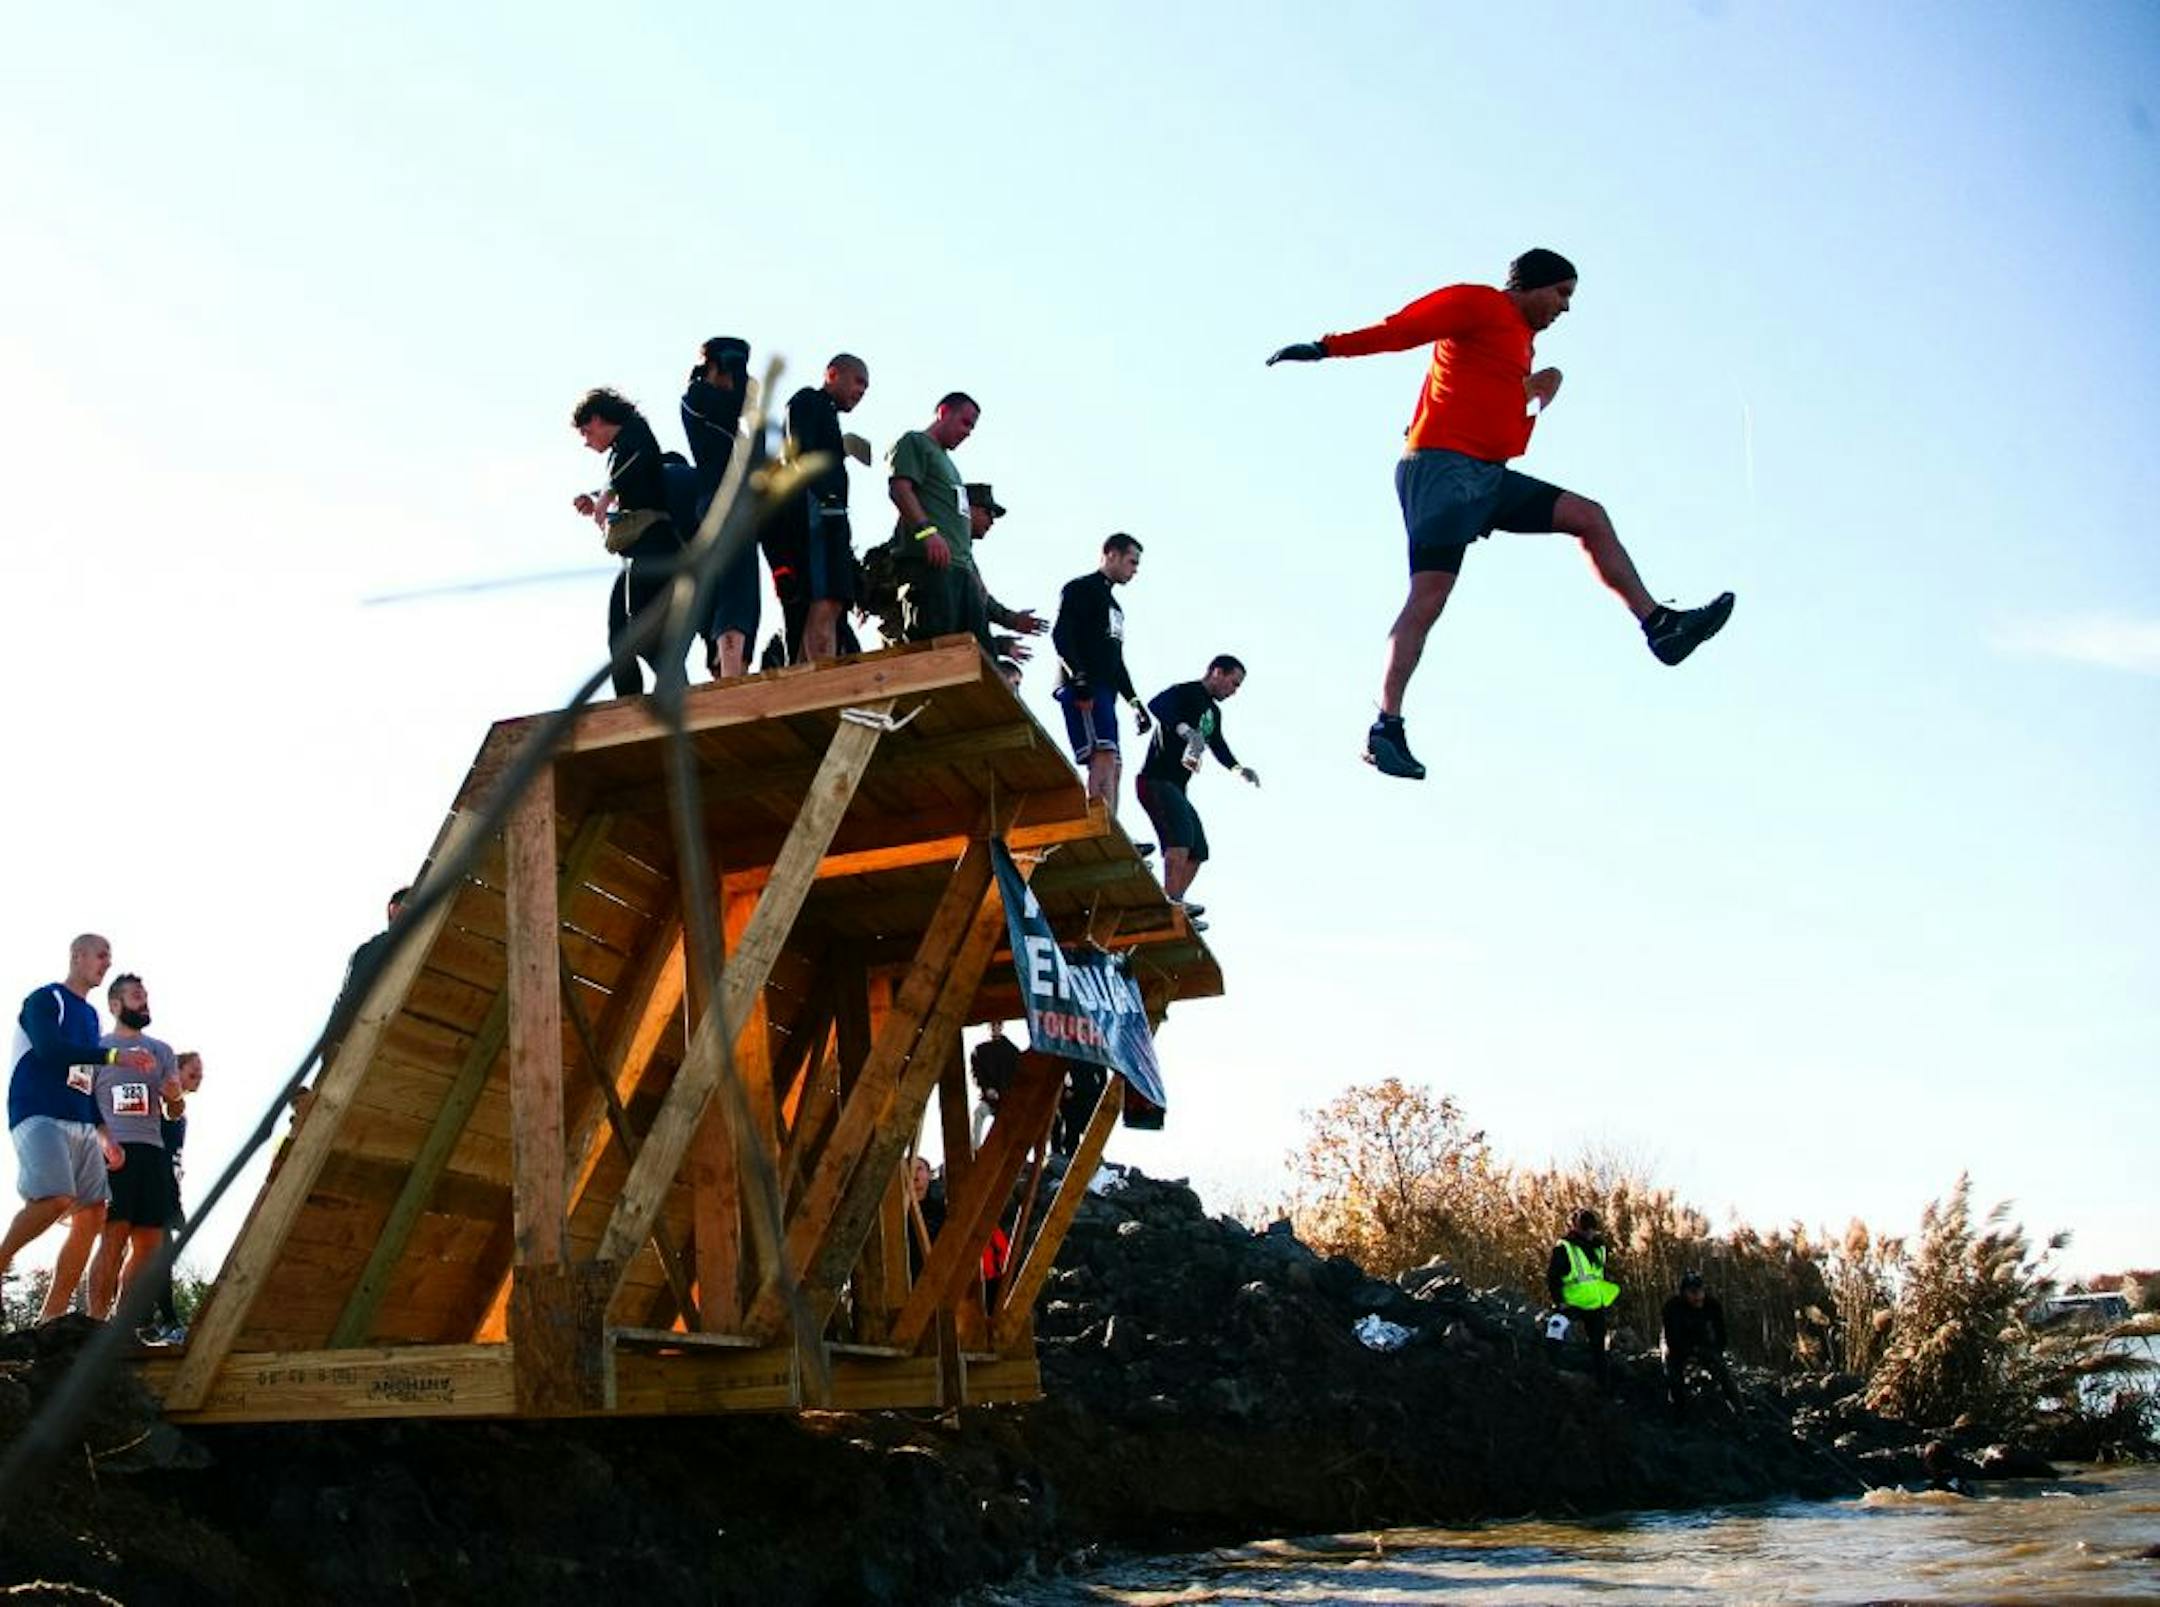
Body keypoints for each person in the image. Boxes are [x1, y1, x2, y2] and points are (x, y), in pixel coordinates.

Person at [1266, 248, 1736, 781]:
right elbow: (1402, 331)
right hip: (1442, 472)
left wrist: (1541, 385)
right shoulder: (1478, 303)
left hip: (1488, 479)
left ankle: (1661, 627)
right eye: (1561, 294)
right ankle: (1384, 727)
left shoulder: (1522, 346)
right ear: (1531, 285)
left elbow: (1481, 400)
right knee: (1428, 597)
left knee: (1590, 517)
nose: (1565, 308)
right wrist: (1327, 348)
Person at [0, 936, 156, 1324]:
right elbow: (51, 1051)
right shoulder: (44, 999)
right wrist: (115, 1055)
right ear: (78, 956)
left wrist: (105, 1135)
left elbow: (82, 1079)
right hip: (37, 1113)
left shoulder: (91, 1018)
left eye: (110, 957)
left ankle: (51, 1317)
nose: (106, 963)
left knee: (92, 1214)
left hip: (81, 1122)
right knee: (55, 1198)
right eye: (101, 955)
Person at [572, 386, 690, 697]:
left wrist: (607, 494)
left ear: (598, 420)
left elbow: (636, 461)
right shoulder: (623, 450)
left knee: (642, 625)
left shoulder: (636, 434)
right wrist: (596, 499)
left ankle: (676, 689)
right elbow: (630, 481)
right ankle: (629, 699)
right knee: (619, 629)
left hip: (659, 546)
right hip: (642, 551)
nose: (586, 441)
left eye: (586, 431)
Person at [1135, 655, 1259, 928]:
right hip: (1155, 780)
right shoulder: (1186, 692)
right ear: (1217, 672)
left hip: (1177, 787)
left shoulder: (1213, 713)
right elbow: (1157, 704)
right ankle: (1170, 901)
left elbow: (1219, 746)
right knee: (1179, 839)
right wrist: (1185, 730)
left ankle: (1176, 898)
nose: (1234, 691)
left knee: (1198, 849)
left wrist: (1239, 769)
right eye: (1233, 683)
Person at [86, 973, 181, 1321]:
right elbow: (80, 1101)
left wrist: (175, 1098)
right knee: (114, 1235)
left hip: (153, 1152)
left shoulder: (162, 1051)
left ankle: (120, 1328)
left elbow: (175, 1107)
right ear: (115, 1005)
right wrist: (104, 1139)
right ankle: (95, 1321)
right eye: (136, 996)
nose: (144, 1001)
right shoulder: (95, 1048)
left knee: (149, 1243)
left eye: (145, 995)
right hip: (113, 1151)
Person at [680, 337, 763, 679]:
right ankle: (731, 674)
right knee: (736, 591)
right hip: (721, 504)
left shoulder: (728, 408)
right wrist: (742, 381)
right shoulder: (697, 397)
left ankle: (731, 670)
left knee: (736, 592)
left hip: (732, 505)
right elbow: (734, 409)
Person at [780, 354, 872, 661]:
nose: (861, 391)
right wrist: (826, 499)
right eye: (858, 381)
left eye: (866, 387)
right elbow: (797, 455)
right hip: (815, 517)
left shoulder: (827, 415)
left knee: (832, 602)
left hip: (828, 517)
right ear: (833, 373)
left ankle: (812, 676)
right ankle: (821, 677)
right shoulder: (808, 400)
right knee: (825, 598)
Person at [1052, 534, 1151, 812]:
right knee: (1103, 754)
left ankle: (1110, 823)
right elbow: (1062, 634)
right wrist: (1079, 677)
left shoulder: (1114, 607)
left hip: (1106, 688)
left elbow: (1115, 659)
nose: (1134, 571)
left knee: (1115, 761)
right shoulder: (1081, 588)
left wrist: (1135, 703)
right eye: (1131, 562)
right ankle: (1095, 821)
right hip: (1085, 686)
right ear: (1111, 554)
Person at [885, 392, 984, 645]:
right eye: (964, 422)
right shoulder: (916, 442)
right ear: (943, 412)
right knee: (934, 650)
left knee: (977, 656)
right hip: (930, 568)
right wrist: (927, 533)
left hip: (960, 573)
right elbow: (900, 489)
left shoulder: (950, 466)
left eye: (972, 427)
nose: (968, 432)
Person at [145, 1049, 201, 1343]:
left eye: (200, 1075)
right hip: (150, 1189)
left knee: (156, 1255)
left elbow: (173, 1157)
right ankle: (166, 1318)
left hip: (168, 1191)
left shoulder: (181, 1117)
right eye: (193, 1073)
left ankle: (146, 1319)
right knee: (156, 1254)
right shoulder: (155, 1103)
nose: (199, 1080)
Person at [963, 484, 1046, 667]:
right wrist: (1009, 620)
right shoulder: (945, 544)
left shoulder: (962, 552)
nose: (991, 522)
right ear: (967, 508)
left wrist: (1010, 619)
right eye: (987, 513)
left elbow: (979, 597)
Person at [1546, 1205, 1619, 1389]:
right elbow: (1552, 1277)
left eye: (1591, 1228)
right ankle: (1550, 1369)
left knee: (1598, 1348)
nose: (1589, 1232)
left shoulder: (1599, 1248)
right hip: (1572, 1303)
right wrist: (1559, 1301)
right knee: (1556, 1325)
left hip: (1594, 1305)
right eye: (1586, 1228)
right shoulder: (1565, 1247)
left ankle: (1603, 1387)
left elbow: (1600, 1274)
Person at [1661, 1270, 1743, 1418]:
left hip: (1701, 1340)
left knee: (1723, 1372)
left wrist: (1714, 1353)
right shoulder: (1672, 1307)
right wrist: (1688, 1353)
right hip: (1677, 1342)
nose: (1698, 1296)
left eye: (1700, 1291)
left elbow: (1721, 1335)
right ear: (1684, 1293)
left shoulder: (1712, 1305)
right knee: (1673, 1373)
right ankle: (1678, 1413)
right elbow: (1671, 1339)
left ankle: (1740, 1413)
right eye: (1693, 1292)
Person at [969, 1026, 1018, 1151]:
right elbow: (977, 1073)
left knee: (1006, 1125)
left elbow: (1016, 1074)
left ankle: (1004, 1149)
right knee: (979, 1113)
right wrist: (987, 1088)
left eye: (997, 1025)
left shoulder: (1011, 1051)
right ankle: (975, 1148)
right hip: (993, 1096)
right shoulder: (981, 1050)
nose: (995, 1028)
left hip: (1007, 1097)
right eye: (993, 1025)